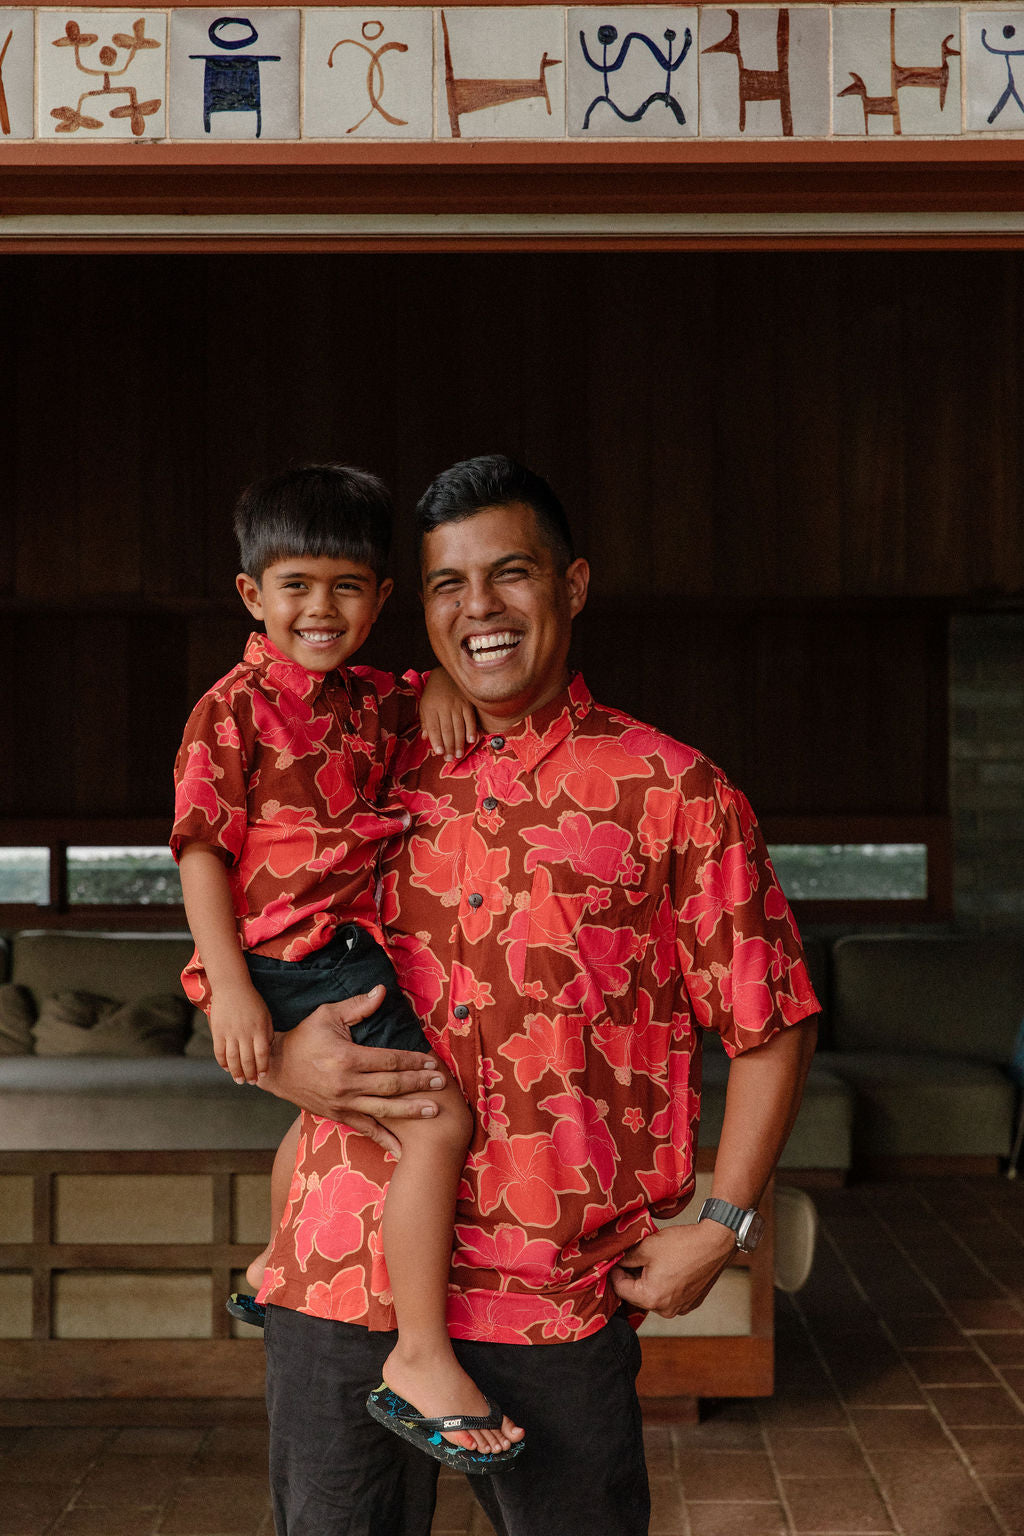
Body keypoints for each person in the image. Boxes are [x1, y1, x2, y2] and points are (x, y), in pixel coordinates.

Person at [257, 454, 821, 1536]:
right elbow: (246, 953)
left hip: (553, 1286)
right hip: (341, 1266)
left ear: (572, 585)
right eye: (448, 584)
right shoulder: (356, 766)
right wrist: (285, 1064)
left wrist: (724, 1223)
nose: (480, 608)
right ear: (420, 608)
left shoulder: (674, 792)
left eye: (509, 574)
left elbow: (771, 1019)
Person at [170, 463, 524, 1468]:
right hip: (287, 958)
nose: (319, 609)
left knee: (323, 1112)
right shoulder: (232, 709)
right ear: (253, 595)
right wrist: (231, 990)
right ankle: (420, 1355)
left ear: (380, 598)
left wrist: (444, 682)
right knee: (436, 1122)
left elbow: (424, 691)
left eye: (345, 587)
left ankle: (268, 1263)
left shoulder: (367, 698)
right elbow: (201, 849)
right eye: (296, 586)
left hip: (333, 948)